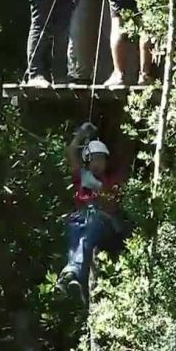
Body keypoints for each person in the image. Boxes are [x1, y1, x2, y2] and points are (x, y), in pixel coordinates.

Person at [57, 122, 127, 305]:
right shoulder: (82, 176)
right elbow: (71, 153)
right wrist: (80, 135)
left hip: (104, 223)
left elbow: (112, 207)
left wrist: (100, 189)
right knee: (76, 233)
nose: (97, 163)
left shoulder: (112, 181)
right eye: (94, 159)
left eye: (101, 159)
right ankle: (73, 279)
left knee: (86, 237)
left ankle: (70, 272)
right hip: (82, 219)